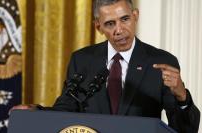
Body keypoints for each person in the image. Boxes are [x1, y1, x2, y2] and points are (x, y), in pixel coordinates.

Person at [12, 0, 200, 132]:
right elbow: (67, 107)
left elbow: (186, 130)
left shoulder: (161, 61)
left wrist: (182, 96)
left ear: (135, 16)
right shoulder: (82, 60)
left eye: (124, 19)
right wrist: (35, 111)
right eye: (110, 24)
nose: (119, 30)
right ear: (98, 27)